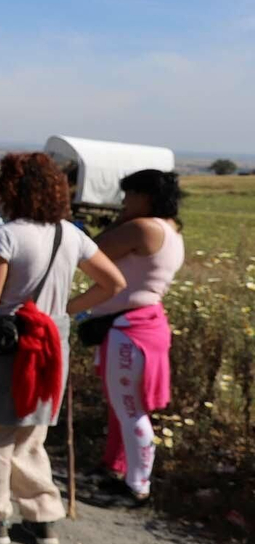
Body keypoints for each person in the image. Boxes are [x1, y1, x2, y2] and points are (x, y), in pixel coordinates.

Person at [0, 153, 124, 544]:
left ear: (10, 188)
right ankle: (42, 518)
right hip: (50, 342)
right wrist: (66, 310)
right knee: (31, 433)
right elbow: (112, 282)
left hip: (4, 344)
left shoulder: (5, 236)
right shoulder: (70, 233)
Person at [83, 169, 185, 510]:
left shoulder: (141, 228)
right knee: (124, 406)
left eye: (129, 195)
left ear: (145, 197)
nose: (124, 201)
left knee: (130, 409)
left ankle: (136, 486)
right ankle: (117, 468)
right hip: (140, 325)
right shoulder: (170, 229)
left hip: (130, 330)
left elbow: (89, 252)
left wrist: (118, 221)